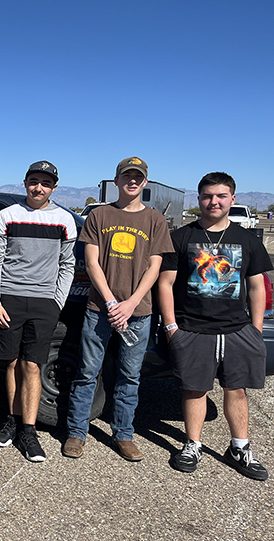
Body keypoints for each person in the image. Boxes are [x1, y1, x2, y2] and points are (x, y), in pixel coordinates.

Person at [158, 172, 271, 481]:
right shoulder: (181, 237)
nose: (214, 201)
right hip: (192, 328)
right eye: (208, 196)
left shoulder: (248, 240)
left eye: (221, 196)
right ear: (199, 200)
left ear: (232, 199)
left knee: (237, 389)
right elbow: (165, 284)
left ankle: (239, 447)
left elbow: (258, 287)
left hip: (237, 329)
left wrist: (256, 330)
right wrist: (171, 328)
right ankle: (192, 444)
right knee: (194, 389)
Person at [63, 157, 173, 461]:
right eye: (127, 176)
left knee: (129, 376)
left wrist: (131, 303)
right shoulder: (100, 215)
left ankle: (123, 435)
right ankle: (76, 432)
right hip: (100, 309)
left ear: (145, 182)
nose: (132, 181)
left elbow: (155, 266)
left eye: (138, 177)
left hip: (138, 312)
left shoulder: (155, 220)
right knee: (87, 372)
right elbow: (92, 261)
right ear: (117, 180)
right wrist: (111, 302)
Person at [0, 161, 76, 461]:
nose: (39, 187)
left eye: (46, 183)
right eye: (34, 181)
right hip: (9, 299)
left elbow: (67, 264)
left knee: (33, 365)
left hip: (44, 303)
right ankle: (11, 422)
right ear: (25, 183)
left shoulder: (64, 220)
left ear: (54, 188)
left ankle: (29, 429)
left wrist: (57, 302)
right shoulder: (7, 216)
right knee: (10, 364)